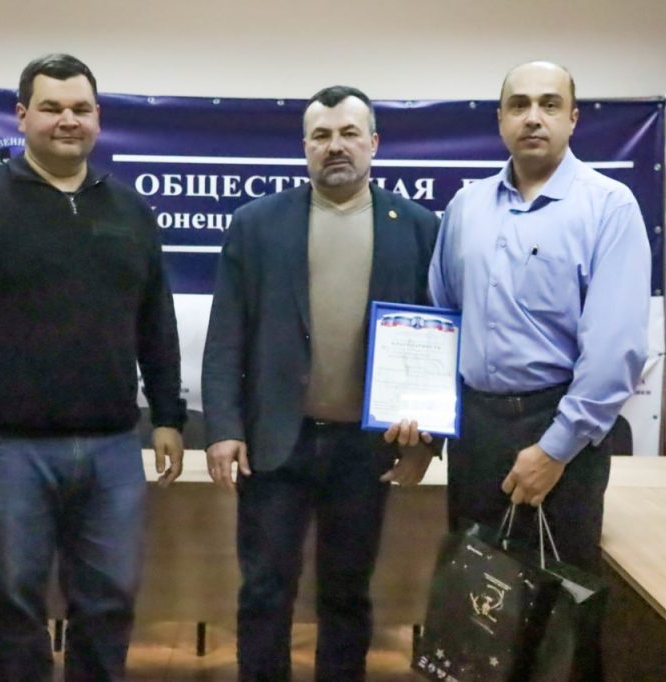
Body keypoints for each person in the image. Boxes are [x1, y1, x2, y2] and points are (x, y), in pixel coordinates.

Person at [0, 54, 186, 681]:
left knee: (109, 604)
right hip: (4, 452)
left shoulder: (129, 211)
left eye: (80, 109)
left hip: (113, 448)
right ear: (22, 116)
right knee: (14, 606)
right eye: (51, 108)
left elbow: (155, 323)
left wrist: (168, 415)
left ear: (98, 118)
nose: (67, 120)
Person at [201, 85, 441, 681]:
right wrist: (224, 428)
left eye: (349, 134)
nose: (336, 146)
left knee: (347, 593)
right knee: (264, 589)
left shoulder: (417, 227)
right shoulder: (257, 224)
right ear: (305, 146)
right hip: (276, 443)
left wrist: (426, 441)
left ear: (373, 143)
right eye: (322, 136)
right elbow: (226, 335)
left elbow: (436, 340)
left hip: (366, 448)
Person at [396, 60, 651, 572]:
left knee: (557, 598)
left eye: (549, 104)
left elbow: (614, 349)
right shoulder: (466, 207)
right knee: (473, 592)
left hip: (557, 426)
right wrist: (429, 430)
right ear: (500, 120)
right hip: (475, 432)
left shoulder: (609, 206)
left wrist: (555, 450)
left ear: (573, 118)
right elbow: (442, 322)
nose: (533, 117)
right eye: (519, 105)